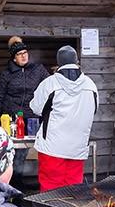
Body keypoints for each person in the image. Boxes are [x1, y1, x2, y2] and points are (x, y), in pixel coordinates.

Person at [30, 46, 98, 191]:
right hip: (78, 147)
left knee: (50, 189)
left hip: (52, 147)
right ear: (76, 61)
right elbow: (94, 110)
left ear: (58, 62)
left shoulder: (50, 83)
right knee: (74, 191)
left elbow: (35, 108)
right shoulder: (91, 85)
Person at [0, 36, 49, 183]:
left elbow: (50, 87)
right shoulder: (7, 74)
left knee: (25, 152)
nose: (23, 56)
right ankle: (12, 183)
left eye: (25, 52)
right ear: (14, 58)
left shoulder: (38, 70)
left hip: (32, 119)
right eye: (19, 54)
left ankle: (21, 183)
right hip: (11, 119)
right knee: (12, 153)